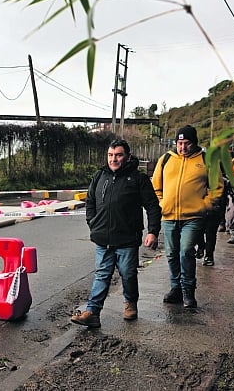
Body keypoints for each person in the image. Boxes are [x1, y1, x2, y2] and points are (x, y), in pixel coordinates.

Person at [71, 139, 161, 328]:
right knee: (102, 274)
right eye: (111, 155)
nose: (114, 159)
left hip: (127, 239)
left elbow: (153, 206)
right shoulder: (99, 176)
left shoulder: (138, 179)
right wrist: (93, 224)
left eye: (118, 155)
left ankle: (130, 303)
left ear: (127, 156)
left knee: (128, 274)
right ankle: (93, 312)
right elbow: (90, 202)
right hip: (103, 238)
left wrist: (153, 231)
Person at [152, 125, 223, 309]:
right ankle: (175, 288)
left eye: (187, 144)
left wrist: (204, 205)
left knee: (186, 251)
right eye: (179, 143)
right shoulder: (166, 159)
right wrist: (161, 202)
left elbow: (217, 188)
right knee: (171, 253)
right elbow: (155, 186)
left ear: (195, 143)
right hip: (168, 216)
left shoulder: (206, 160)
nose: (182, 148)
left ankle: (188, 291)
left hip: (193, 217)